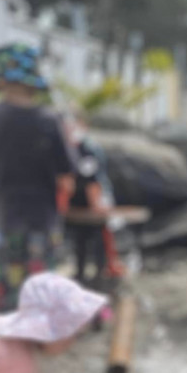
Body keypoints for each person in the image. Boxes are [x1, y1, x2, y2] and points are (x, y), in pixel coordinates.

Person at [0, 43, 75, 310]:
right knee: (41, 288)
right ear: (34, 84)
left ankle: (8, 339)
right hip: (42, 219)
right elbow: (66, 175)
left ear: (1, 82)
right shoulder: (49, 119)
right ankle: (39, 342)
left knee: (9, 290)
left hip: (4, 217)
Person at [65, 108, 113, 286]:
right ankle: (80, 273)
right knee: (79, 239)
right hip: (77, 202)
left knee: (98, 236)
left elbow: (92, 180)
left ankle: (101, 273)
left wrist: (96, 205)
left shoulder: (88, 148)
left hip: (95, 200)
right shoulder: (69, 147)